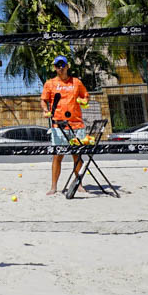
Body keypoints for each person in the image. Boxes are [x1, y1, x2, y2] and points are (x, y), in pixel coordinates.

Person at [40, 55, 89, 195]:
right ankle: (54, 187)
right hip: (58, 125)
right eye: (57, 65)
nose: (60, 68)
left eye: (63, 65)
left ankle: (78, 184)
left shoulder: (77, 82)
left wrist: (83, 100)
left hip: (76, 124)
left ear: (68, 66)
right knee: (57, 156)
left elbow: (86, 96)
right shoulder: (50, 83)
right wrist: (45, 110)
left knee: (77, 155)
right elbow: (43, 100)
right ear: (54, 67)